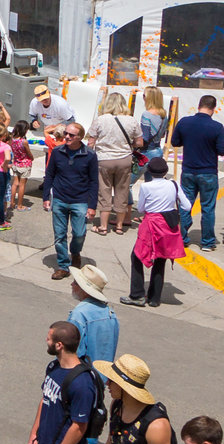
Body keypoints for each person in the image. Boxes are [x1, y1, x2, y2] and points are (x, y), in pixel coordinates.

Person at [170, 93, 224, 246]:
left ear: (199, 105)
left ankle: (181, 238)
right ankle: (207, 242)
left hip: (188, 170)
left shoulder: (184, 122)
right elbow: (222, 151)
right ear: (214, 108)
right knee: (208, 208)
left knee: (185, 204)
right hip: (208, 172)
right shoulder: (217, 127)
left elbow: (175, 142)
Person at [42, 121, 98, 279]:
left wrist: (92, 206)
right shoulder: (58, 151)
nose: (66, 137)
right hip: (59, 199)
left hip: (80, 200)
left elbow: (94, 181)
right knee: (59, 235)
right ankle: (63, 266)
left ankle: (75, 253)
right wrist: (46, 197)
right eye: (66, 133)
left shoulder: (90, 155)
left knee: (79, 234)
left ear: (80, 137)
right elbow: (50, 174)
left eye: (71, 135)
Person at [128, 157, 187, 306]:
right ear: (165, 171)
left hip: (151, 224)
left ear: (149, 172)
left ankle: (137, 295)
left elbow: (141, 208)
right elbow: (186, 205)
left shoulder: (146, 187)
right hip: (168, 225)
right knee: (161, 259)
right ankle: (155, 298)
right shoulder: (174, 184)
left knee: (137, 256)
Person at [90, 94, 142, 235]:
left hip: (104, 159)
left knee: (104, 192)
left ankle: (103, 226)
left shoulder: (100, 120)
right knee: (122, 192)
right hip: (124, 159)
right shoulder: (131, 120)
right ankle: (119, 226)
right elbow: (139, 142)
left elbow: (90, 142)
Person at [67, 263, 120, 386]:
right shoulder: (110, 314)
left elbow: (72, 353)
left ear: (83, 288)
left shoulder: (79, 314)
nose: (72, 284)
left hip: (80, 379)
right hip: (100, 380)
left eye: (75, 282)